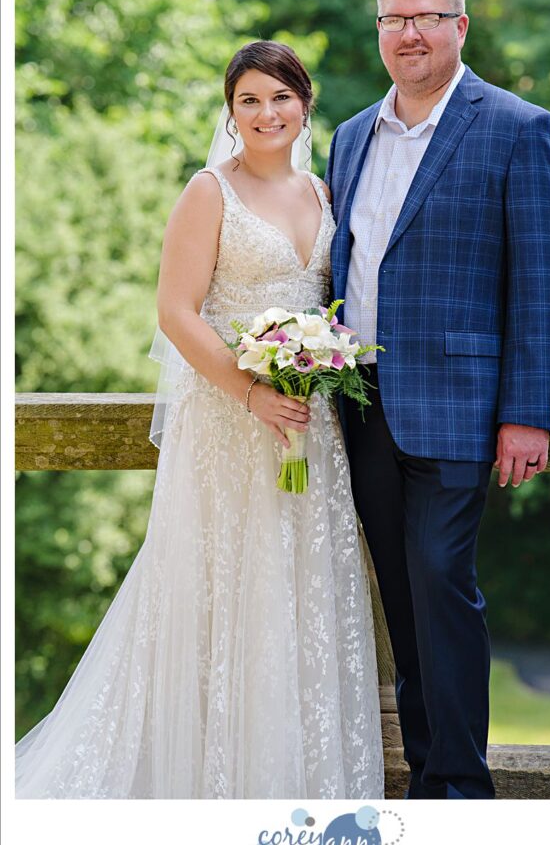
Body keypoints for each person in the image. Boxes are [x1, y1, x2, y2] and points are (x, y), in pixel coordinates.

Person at [15, 40, 384, 800]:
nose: (264, 113)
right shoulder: (208, 191)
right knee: (218, 591)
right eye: (247, 100)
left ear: (304, 104)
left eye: (279, 97)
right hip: (225, 424)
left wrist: (316, 368)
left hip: (307, 427)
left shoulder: (324, 192)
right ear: (230, 112)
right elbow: (177, 313)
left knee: (296, 593)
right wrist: (249, 393)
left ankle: (289, 784)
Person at [325, 0, 550, 800]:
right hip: (359, 406)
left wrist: (528, 414)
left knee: (441, 582)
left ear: (459, 27)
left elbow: (543, 282)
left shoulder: (516, 127)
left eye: (426, 18)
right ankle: (426, 775)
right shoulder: (351, 135)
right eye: (393, 20)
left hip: (461, 408)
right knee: (400, 597)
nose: (409, 34)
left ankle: (460, 791)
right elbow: (344, 267)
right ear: (381, 30)